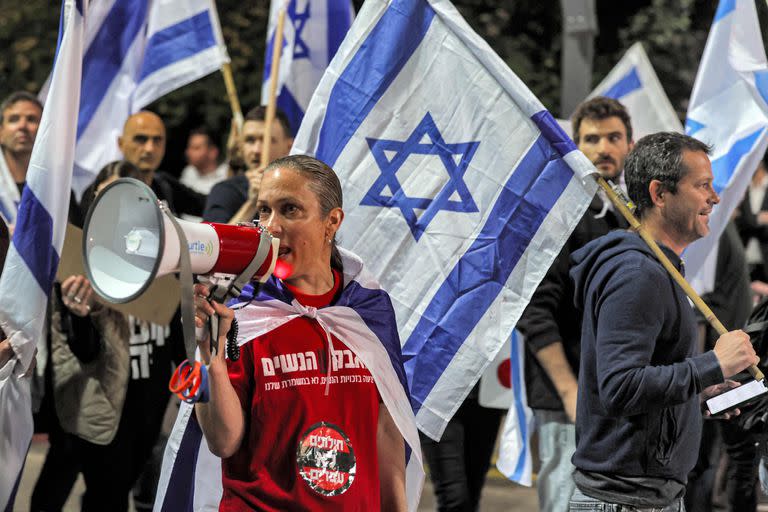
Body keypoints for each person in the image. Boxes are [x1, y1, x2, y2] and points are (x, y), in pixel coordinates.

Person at [192, 155, 415, 510]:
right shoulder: (240, 307)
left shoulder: (367, 309)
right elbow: (223, 441)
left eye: (290, 209)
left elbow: (386, 430)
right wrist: (210, 355)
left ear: (332, 222)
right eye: (264, 211)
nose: (272, 227)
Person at [568, 132, 759, 510]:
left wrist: (699, 392)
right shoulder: (638, 273)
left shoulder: (657, 267)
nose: (715, 198)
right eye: (702, 185)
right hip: (625, 500)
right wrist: (713, 364)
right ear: (659, 193)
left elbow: (647, 377)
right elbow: (619, 387)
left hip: (646, 497)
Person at [513, 96, 633, 512]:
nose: (603, 148)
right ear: (575, 147)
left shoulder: (632, 217)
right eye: (592, 139)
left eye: (613, 137)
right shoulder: (557, 216)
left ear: (630, 146)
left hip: (621, 401)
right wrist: (569, 390)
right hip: (569, 403)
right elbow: (533, 311)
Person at [203, 106, 293, 224]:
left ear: (289, 147)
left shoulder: (303, 193)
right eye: (250, 140)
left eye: (267, 140)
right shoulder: (225, 192)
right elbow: (214, 241)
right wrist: (251, 204)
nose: (256, 150)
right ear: (241, 146)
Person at [118, 110, 206, 218]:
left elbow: (214, 205)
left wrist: (232, 164)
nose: (150, 148)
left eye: (157, 140)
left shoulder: (164, 185)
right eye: (141, 139)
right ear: (121, 143)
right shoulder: (107, 190)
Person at [179, 127, 228, 194]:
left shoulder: (226, 175)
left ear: (213, 152)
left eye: (196, 148)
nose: (188, 152)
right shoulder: (188, 172)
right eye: (189, 147)